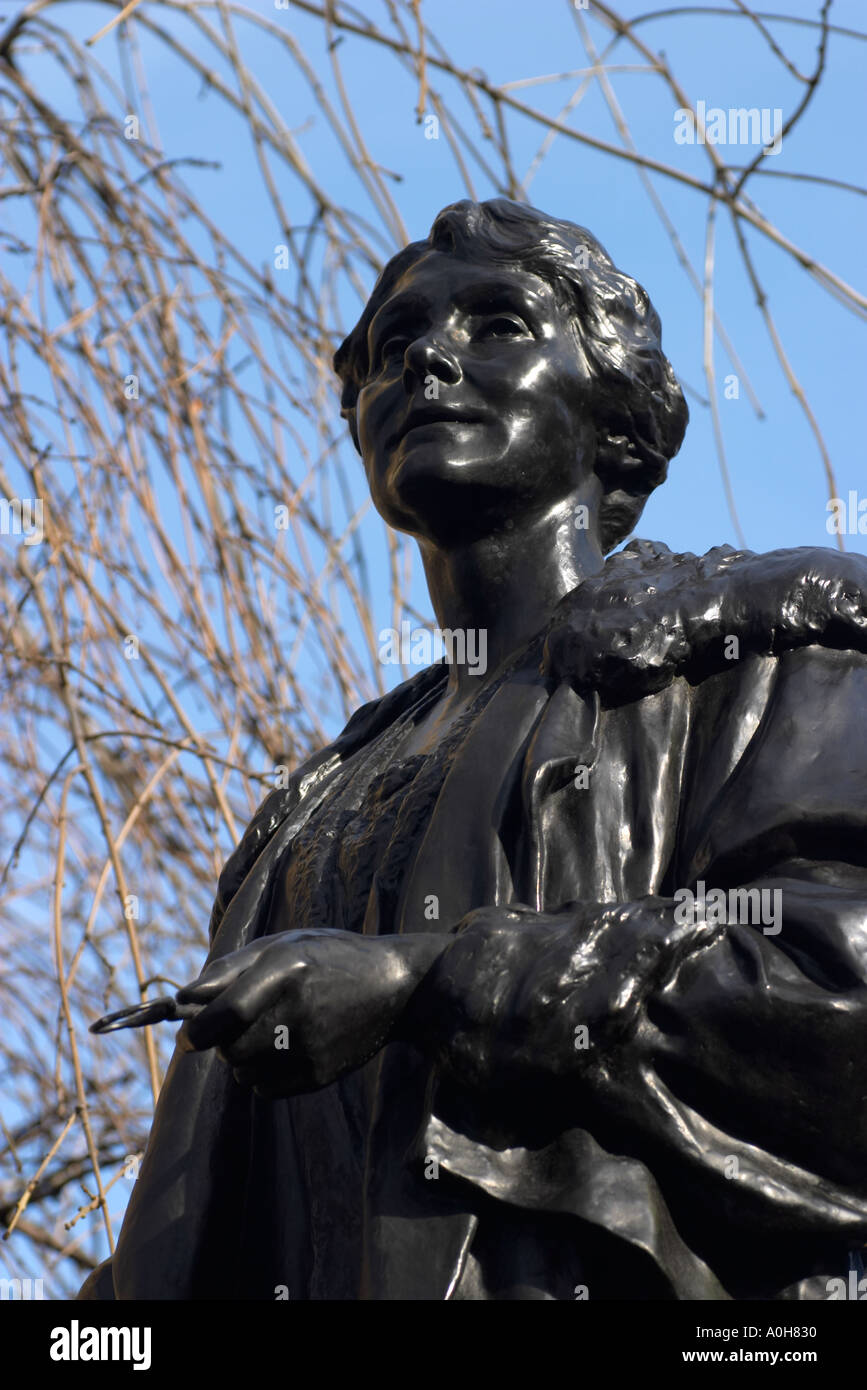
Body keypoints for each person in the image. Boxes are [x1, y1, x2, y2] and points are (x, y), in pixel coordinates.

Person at [80, 198, 867, 1301]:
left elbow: (838, 983)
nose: (431, 361)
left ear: (617, 419)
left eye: (497, 325)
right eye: (394, 349)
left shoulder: (755, 654)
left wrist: (430, 979)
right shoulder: (310, 808)